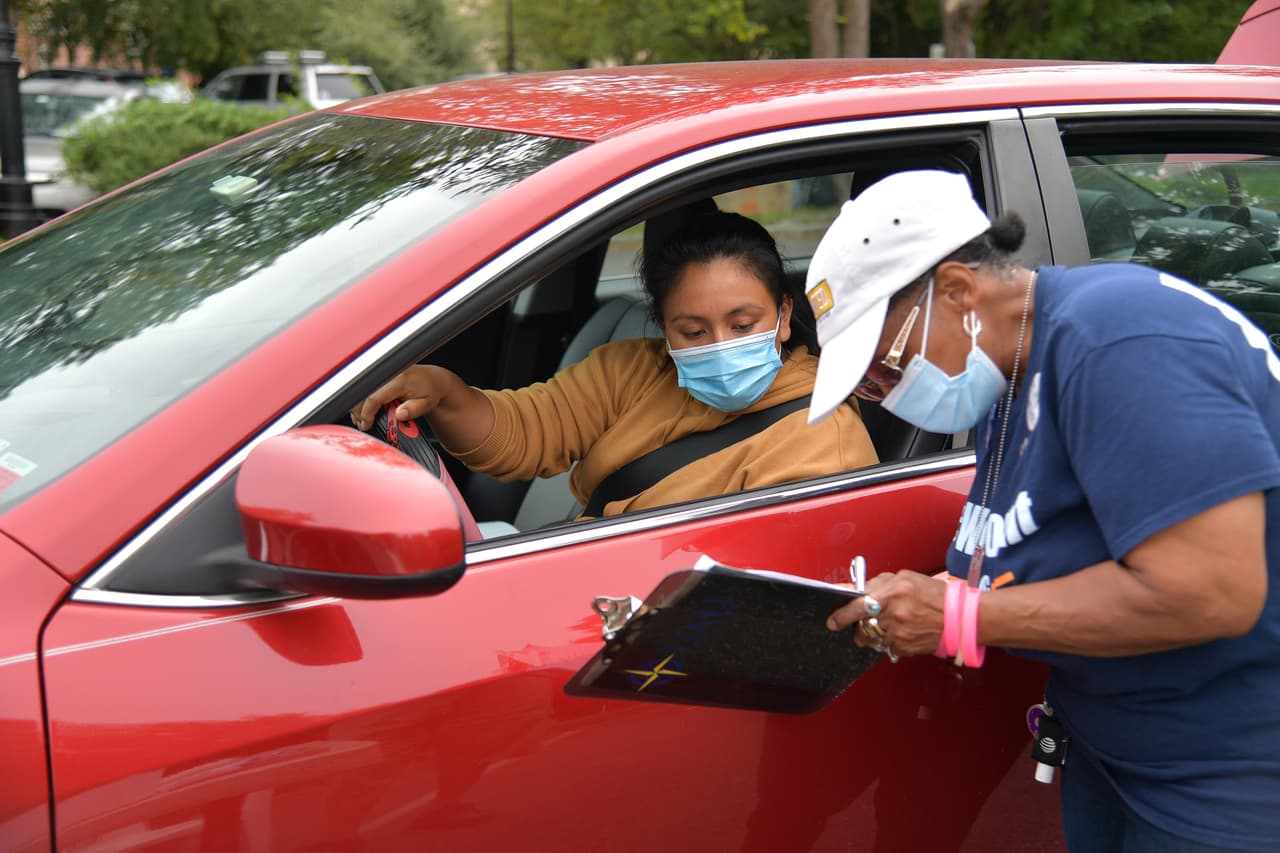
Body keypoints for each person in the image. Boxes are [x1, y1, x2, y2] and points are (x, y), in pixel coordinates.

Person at [805, 169, 1280, 853]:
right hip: (1119, 755)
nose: (883, 392)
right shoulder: (1011, 373)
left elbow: (1211, 591)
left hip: (1226, 780)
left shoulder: (1120, 343)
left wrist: (965, 616)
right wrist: (942, 598)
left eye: (884, 366)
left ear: (959, 292)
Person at [351, 210, 878, 519]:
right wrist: (446, 392)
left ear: (785, 315)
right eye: (692, 331)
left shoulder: (821, 439)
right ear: (664, 328)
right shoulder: (632, 370)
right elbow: (526, 432)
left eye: (742, 325)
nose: (719, 345)